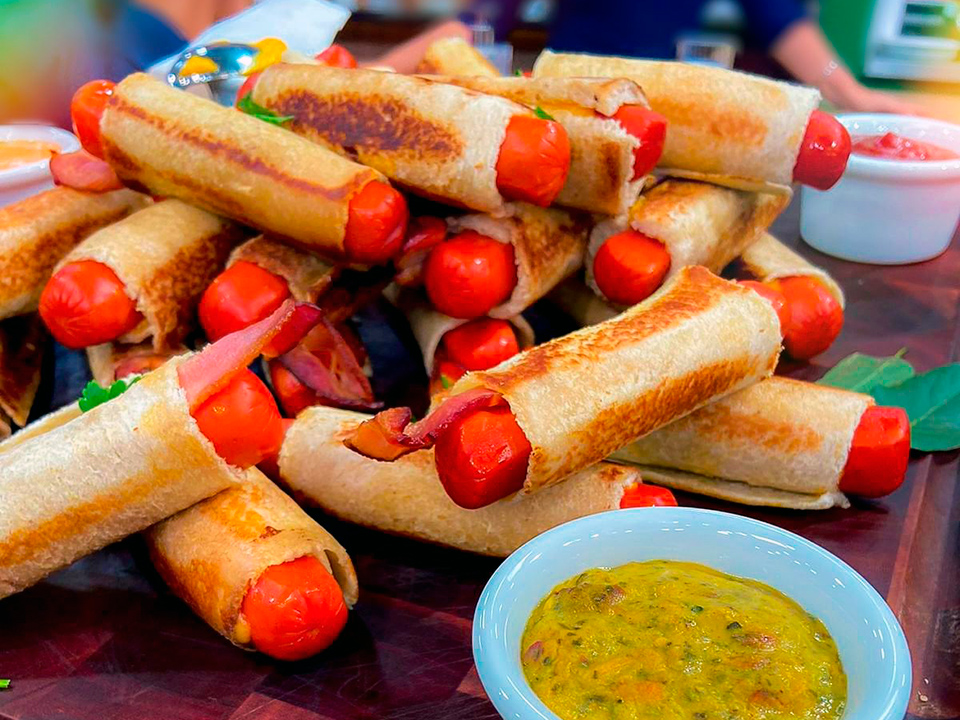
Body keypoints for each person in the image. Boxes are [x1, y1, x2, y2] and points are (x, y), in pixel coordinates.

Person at [472, 0, 923, 115]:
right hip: (565, 94)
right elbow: (490, 13)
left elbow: (779, 17)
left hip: (655, 102)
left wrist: (847, 90)